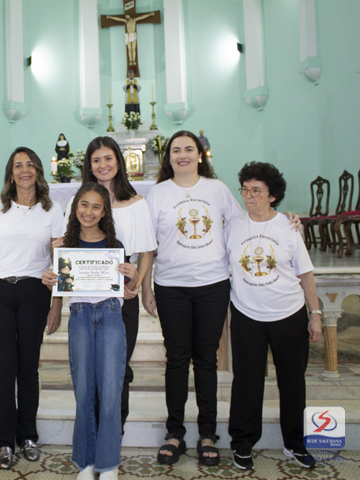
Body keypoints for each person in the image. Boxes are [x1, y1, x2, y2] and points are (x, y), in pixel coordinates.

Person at [142, 131, 301, 466]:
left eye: (189, 149)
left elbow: (248, 218)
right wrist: (146, 287)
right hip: (171, 287)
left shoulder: (217, 189)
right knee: (176, 360)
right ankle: (174, 432)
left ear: (200, 155)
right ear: (168, 157)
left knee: (206, 360)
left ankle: (207, 433)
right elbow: (147, 244)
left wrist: (286, 219)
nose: (182, 155)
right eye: (176, 150)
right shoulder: (158, 193)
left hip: (212, 286)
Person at [226, 162, 321, 471]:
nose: (248, 195)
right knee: (246, 381)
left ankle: (296, 443)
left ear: (273, 195)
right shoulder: (233, 224)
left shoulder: (288, 227)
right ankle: (242, 443)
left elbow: (305, 273)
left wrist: (315, 313)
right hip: (247, 315)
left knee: (292, 381)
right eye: (245, 189)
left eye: (257, 190)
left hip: (289, 314)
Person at [43, 183, 138, 480]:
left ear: (104, 212)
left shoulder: (115, 246)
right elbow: (58, 283)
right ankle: (85, 461)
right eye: (84, 205)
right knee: (84, 392)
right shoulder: (63, 245)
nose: (89, 211)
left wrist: (133, 277)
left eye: (96, 206)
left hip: (110, 315)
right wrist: (50, 280)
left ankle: (108, 464)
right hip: (81, 316)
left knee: (110, 392)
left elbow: (128, 290)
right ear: (75, 208)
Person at [0, 147, 64, 469]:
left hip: (34, 291)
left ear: (38, 170)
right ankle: (2, 441)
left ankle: (27, 436)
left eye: (29, 165)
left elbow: (59, 259)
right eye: (18, 165)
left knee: (28, 368)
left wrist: (57, 305)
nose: (24, 170)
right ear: (11, 173)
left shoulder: (52, 209)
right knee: (4, 370)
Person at [62, 136, 157, 432]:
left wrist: (138, 284)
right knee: (88, 372)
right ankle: (92, 432)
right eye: (96, 160)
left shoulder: (137, 203)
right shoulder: (78, 202)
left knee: (117, 368)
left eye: (108, 158)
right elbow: (68, 247)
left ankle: (114, 431)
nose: (102, 165)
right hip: (85, 301)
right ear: (88, 166)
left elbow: (145, 251)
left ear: (119, 161)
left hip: (122, 298)